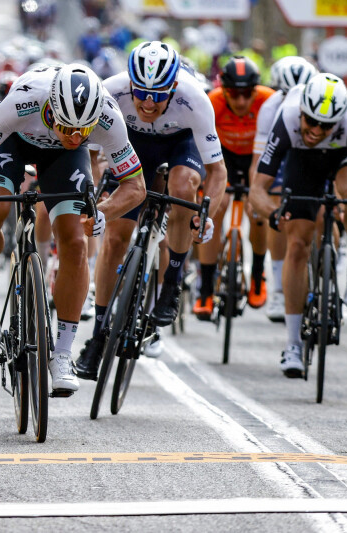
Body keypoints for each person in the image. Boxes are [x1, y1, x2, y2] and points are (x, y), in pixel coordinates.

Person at [0, 63, 145, 393]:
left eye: (83, 130)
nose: (74, 136)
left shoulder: (108, 117)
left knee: (75, 241)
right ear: (51, 109)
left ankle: (64, 353)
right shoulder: (23, 102)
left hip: (65, 161)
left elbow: (135, 185)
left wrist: (104, 213)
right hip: (14, 141)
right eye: (67, 127)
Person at [74, 41, 223, 378]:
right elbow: (93, 156)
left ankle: (172, 281)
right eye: (141, 92)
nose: (148, 102)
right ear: (130, 84)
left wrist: (206, 213)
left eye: (158, 95)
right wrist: (95, 197)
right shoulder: (110, 91)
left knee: (183, 188)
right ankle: (98, 335)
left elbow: (217, 171)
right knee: (115, 238)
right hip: (131, 146)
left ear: (174, 85)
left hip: (180, 144)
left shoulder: (195, 99)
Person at [249, 73, 347, 378]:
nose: (315, 130)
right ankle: (292, 345)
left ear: (338, 120)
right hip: (302, 161)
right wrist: (273, 214)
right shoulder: (287, 117)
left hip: (342, 156)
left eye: (325, 125)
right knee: (298, 244)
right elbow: (258, 189)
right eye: (311, 121)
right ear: (301, 111)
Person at [193, 56, 275, 319]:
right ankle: (205, 289)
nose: (241, 102)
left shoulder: (268, 101)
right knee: (216, 208)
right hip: (222, 158)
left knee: (258, 211)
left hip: (257, 156)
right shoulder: (212, 102)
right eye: (234, 95)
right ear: (223, 90)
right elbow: (200, 147)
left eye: (247, 94)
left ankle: (258, 275)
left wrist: (258, 190)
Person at [252, 56, 317, 322]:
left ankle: (335, 260)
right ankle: (278, 287)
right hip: (283, 154)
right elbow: (261, 158)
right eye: (289, 93)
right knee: (276, 208)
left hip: (317, 152)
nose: (296, 99)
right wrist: (256, 194)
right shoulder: (271, 108)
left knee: (328, 208)